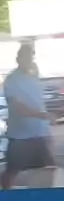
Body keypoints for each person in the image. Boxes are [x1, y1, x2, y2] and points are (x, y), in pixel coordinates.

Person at [1, 45, 55, 190]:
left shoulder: (33, 75)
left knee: (50, 168)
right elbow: (17, 107)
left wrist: (46, 130)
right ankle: (6, 196)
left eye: (32, 57)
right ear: (18, 59)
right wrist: (43, 115)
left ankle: (43, 197)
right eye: (26, 57)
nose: (30, 60)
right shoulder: (12, 80)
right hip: (20, 137)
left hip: (40, 133)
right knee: (12, 171)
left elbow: (38, 101)